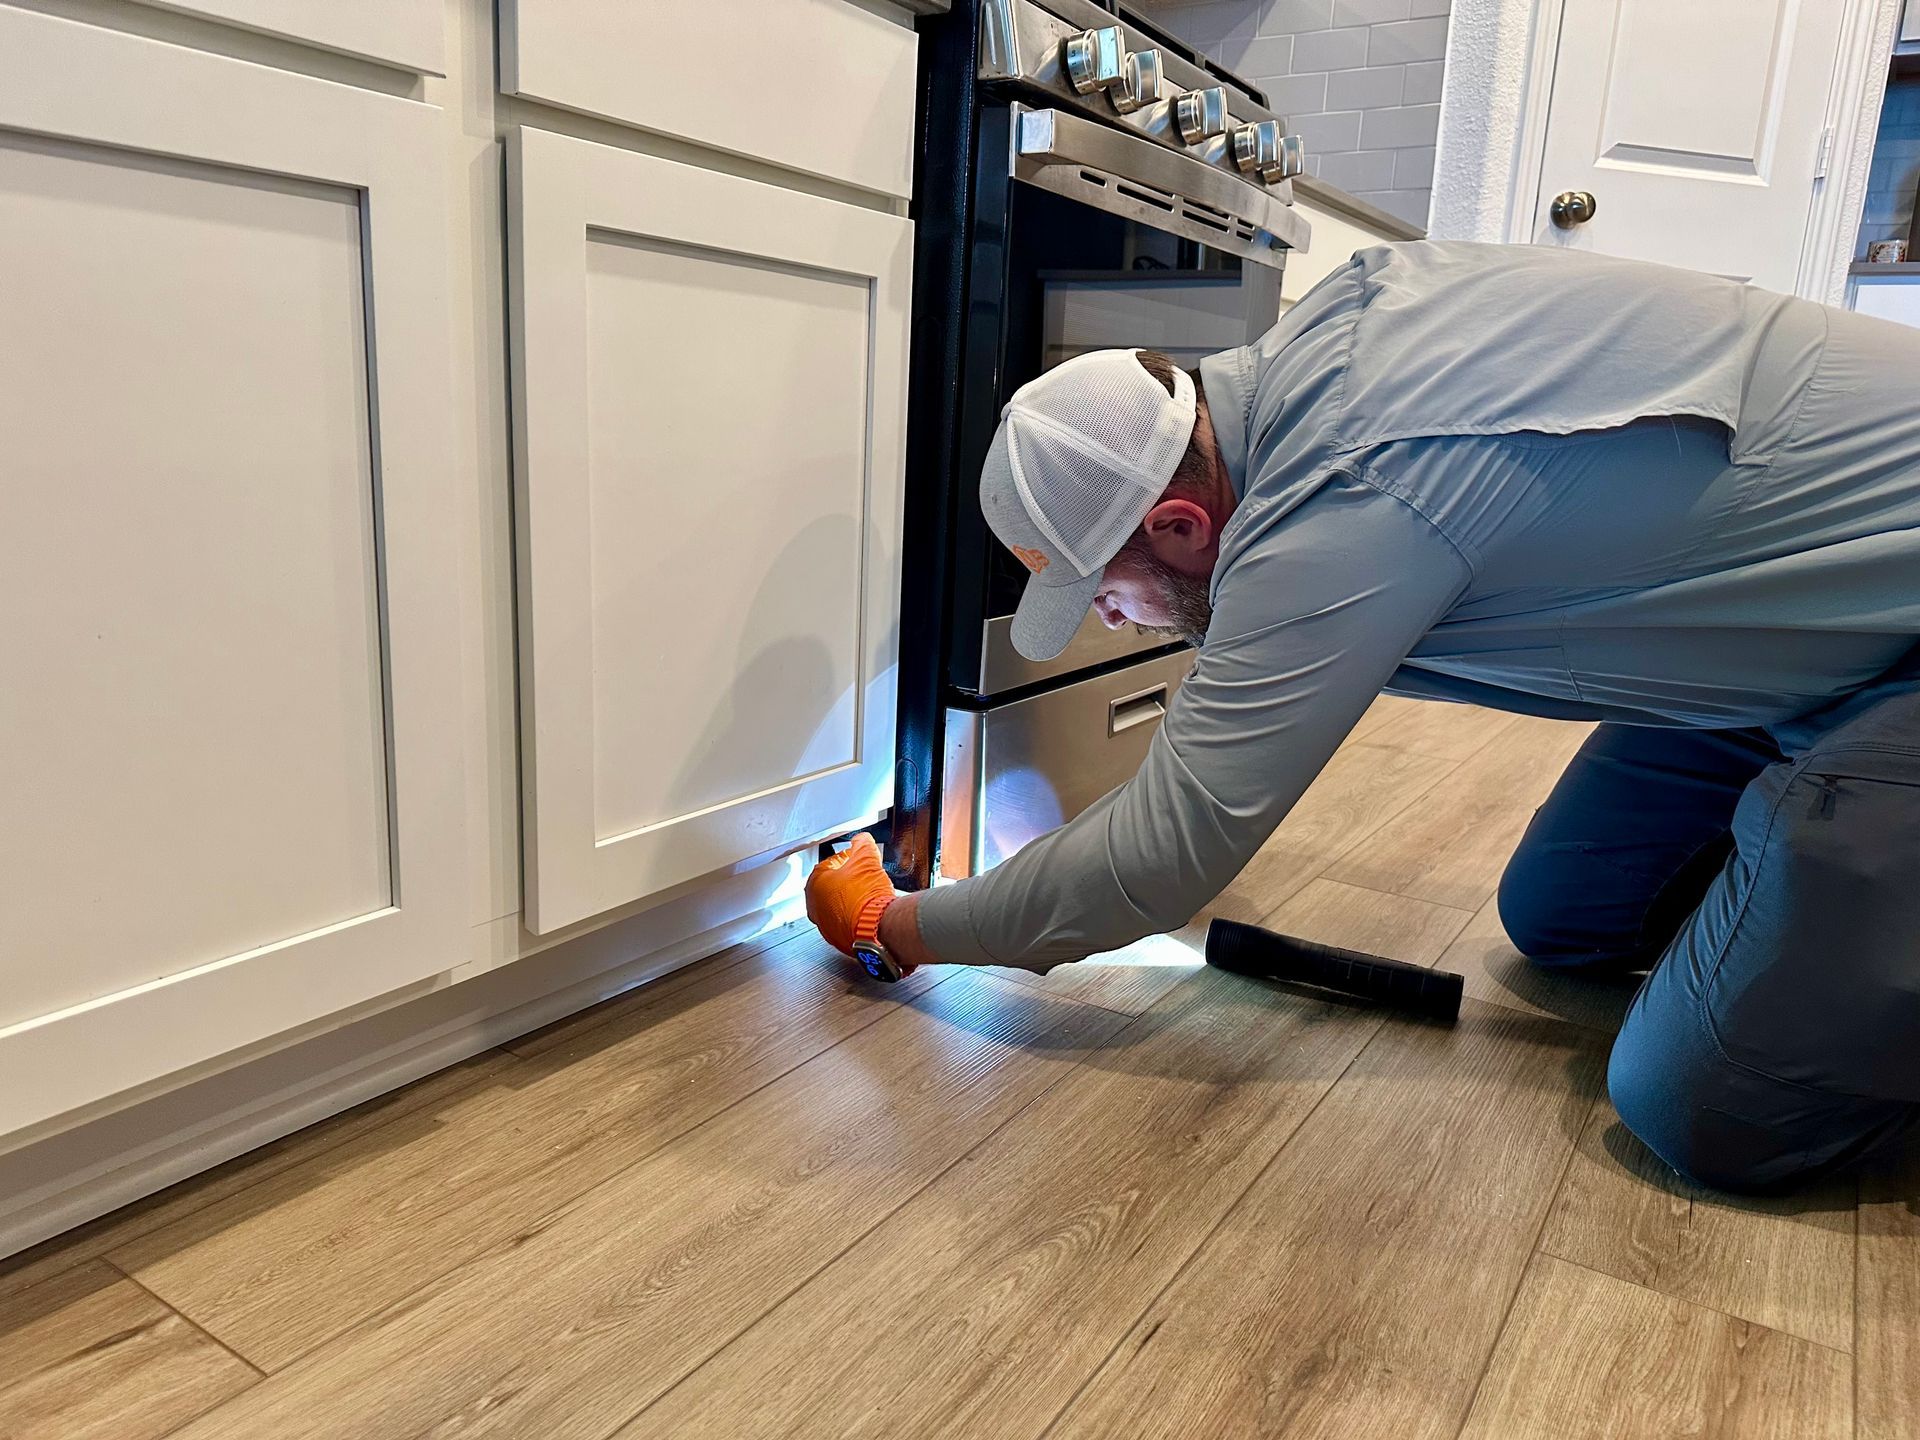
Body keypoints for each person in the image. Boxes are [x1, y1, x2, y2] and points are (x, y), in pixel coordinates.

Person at [805, 240, 1920, 1194]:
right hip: (1795, 648)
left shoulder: (1350, 492)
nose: (1113, 619)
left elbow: (1156, 860)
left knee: (1697, 1105)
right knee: (1562, 922)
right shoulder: (1315, 362)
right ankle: (1829, 864)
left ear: (1184, 526)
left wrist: (894, 925)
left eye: (1104, 589)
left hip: (1900, 652)